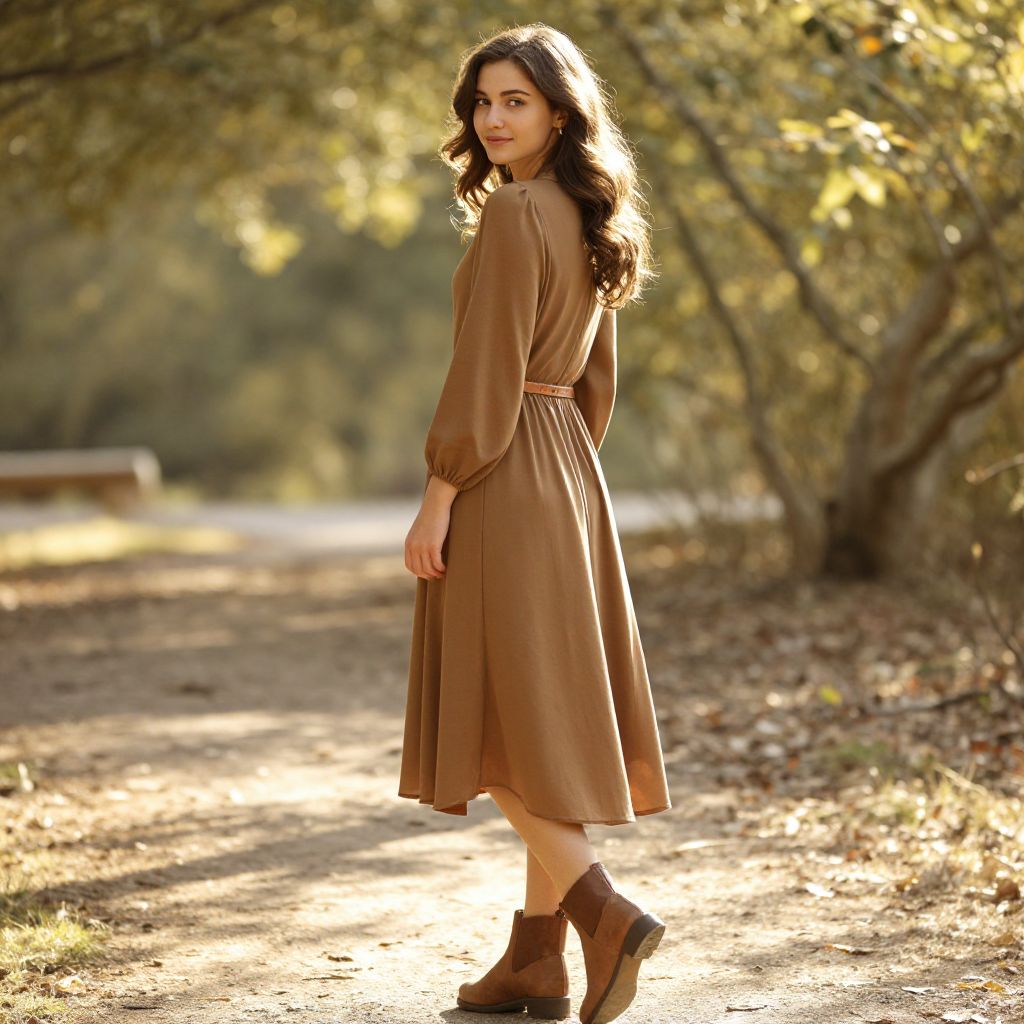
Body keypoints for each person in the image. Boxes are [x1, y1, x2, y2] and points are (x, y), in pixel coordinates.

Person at [399, 22, 672, 1024]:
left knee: (491, 724)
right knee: (535, 713)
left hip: (504, 472)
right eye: (482, 102)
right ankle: (533, 963)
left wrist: (443, 487)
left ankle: (602, 913)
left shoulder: (516, 215)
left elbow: (485, 370)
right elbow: (593, 381)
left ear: (560, 110)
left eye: (515, 100)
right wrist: (565, 466)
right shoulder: (596, 219)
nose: (493, 118)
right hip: (565, 468)